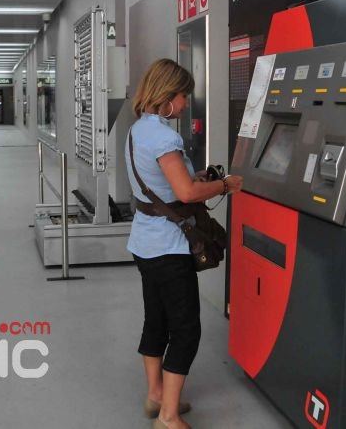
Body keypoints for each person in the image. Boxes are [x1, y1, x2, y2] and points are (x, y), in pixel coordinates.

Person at [126, 58, 243, 429]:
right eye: (183, 95)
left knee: (156, 319)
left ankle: (155, 396)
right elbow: (187, 193)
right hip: (168, 247)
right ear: (167, 96)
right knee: (186, 328)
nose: (185, 103)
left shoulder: (138, 130)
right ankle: (168, 416)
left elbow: (167, 183)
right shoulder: (166, 137)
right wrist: (225, 185)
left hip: (144, 241)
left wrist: (200, 176)